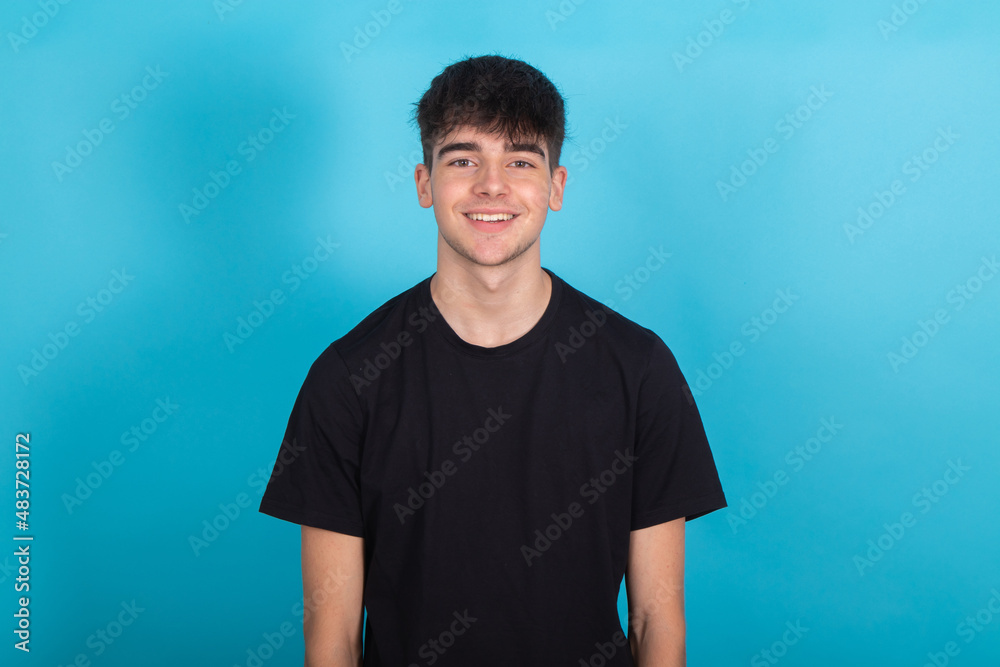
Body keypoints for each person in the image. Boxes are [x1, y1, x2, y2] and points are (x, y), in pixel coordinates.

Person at [258, 54, 727, 667]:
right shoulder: (348, 378)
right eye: (462, 159)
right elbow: (334, 637)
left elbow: (656, 621)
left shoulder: (638, 369)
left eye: (520, 161)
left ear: (555, 187)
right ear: (424, 183)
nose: (491, 185)